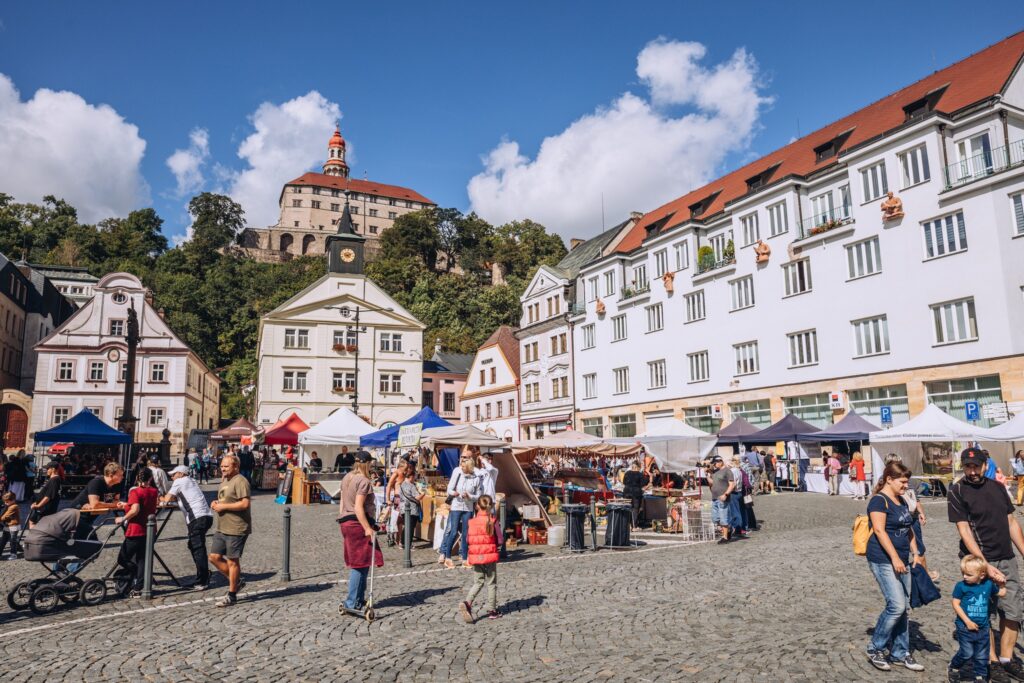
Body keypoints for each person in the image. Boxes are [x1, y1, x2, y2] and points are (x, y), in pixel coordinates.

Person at [948, 447, 1024, 683]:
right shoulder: (957, 491)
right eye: (967, 467)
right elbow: (964, 529)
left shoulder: (998, 487)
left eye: (976, 466)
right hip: (980, 562)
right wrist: (984, 565)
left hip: (1006, 557)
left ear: (985, 465)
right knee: (983, 614)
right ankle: (992, 662)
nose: (972, 471)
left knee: (1012, 611)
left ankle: (1006, 659)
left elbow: (1011, 521)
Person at [864, 461, 925, 673]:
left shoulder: (900, 499)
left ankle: (900, 652)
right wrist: (895, 558)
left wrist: (916, 553)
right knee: (896, 605)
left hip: (903, 557)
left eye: (907, 482)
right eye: (903, 482)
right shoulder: (879, 501)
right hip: (883, 559)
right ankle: (875, 647)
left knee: (904, 607)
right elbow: (879, 531)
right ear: (889, 479)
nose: (906, 486)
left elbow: (909, 528)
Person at [338, 451, 383, 616]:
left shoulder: (347, 477)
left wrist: (342, 518)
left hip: (346, 521)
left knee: (363, 563)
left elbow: (342, 501)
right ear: (367, 463)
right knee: (359, 564)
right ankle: (352, 602)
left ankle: (358, 598)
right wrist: (367, 528)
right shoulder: (364, 481)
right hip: (357, 523)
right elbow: (358, 507)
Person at [949, 554, 1005, 683]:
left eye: (969, 574)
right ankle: (954, 666)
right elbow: (955, 604)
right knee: (967, 653)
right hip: (964, 626)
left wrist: (1001, 584)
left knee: (982, 655)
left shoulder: (988, 585)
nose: (964, 576)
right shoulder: (961, 586)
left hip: (983, 627)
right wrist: (967, 621)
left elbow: (1002, 593)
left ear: (982, 574)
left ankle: (980, 676)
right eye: (963, 573)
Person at [209, 454, 251, 608]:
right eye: (222, 466)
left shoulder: (240, 481)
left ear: (236, 467)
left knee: (233, 560)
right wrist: (216, 502)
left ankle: (232, 595)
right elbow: (225, 499)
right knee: (214, 557)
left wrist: (223, 506)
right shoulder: (225, 480)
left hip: (236, 527)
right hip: (222, 526)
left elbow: (245, 504)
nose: (223, 468)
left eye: (226, 466)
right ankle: (237, 581)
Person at [162, 465, 214, 590]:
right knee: (193, 545)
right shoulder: (191, 481)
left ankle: (202, 580)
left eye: (174, 474)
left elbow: (166, 499)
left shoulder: (180, 481)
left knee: (197, 548)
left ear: (181, 474)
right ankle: (203, 573)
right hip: (206, 516)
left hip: (197, 518)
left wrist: (160, 498)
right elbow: (178, 498)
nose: (172, 477)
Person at [114, 467, 160, 598]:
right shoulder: (154, 491)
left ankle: (133, 574)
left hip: (136, 529)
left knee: (123, 558)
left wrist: (123, 518)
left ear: (137, 478)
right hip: (149, 530)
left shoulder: (135, 491)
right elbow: (145, 504)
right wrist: (126, 504)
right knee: (142, 559)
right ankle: (138, 587)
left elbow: (136, 509)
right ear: (150, 478)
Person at [459, 494, 502, 623]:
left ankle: (468, 602)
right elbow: (500, 539)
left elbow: (467, 539)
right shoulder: (492, 520)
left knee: (478, 582)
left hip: (476, 555)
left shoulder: (471, 522)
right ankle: (492, 610)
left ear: (477, 506)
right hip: (489, 555)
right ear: (491, 506)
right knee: (491, 583)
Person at [439, 453, 483, 569]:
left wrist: (470, 496)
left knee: (465, 533)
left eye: (464, 467)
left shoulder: (476, 478)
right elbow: (449, 489)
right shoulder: (458, 473)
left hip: (468, 508)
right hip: (456, 506)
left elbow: (479, 495)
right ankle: (448, 557)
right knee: (453, 532)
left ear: (469, 467)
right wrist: (455, 493)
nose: (462, 468)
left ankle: (464, 558)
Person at [71, 462, 125, 539]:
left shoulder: (116, 485)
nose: (122, 477)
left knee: (86, 540)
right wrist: (114, 504)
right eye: (120, 475)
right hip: (76, 517)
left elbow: (116, 501)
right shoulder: (96, 482)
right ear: (111, 475)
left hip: (89, 518)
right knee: (92, 539)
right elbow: (95, 504)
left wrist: (112, 504)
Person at [709, 456, 735, 544]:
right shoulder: (716, 472)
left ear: (720, 462)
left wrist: (726, 494)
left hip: (723, 498)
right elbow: (713, 483)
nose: (714, 465)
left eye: (715, 463)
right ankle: (729, 528)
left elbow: (732, 485)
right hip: (714, 498)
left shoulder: (727, 471)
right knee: (715, 519)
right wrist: (707, 475)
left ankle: (725, 537)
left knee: (723, 518)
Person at [399, 465, 425, 547]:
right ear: (411, 477)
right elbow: (417, 497)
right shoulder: (411, 486)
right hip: (412, 509)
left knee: (406, 526)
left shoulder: (402, 484)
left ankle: (402, 542)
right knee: (410, 527)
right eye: (414, 477)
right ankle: (408, 544)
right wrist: (423, 493)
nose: (415, 479)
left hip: (403, 508)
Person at [622, 461, 649, 531]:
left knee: (627, 508)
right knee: (635, 509)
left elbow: (624, 482)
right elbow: (644, 483)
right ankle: (634, 526)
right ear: (638, 467)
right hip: (636, 493)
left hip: (626, 492)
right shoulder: (639, 474)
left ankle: (628, 525)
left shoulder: (627, 473)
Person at [0, 492, 21, 558]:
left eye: (7, 502)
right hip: (7, 525)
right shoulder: (8, 506)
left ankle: (13, 554)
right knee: (3, 540)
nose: (5, 503)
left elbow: (5, 516)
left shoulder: (14, 506)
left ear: (13, 500)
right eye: (5, 502)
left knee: (12, 540)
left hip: (13, 526)